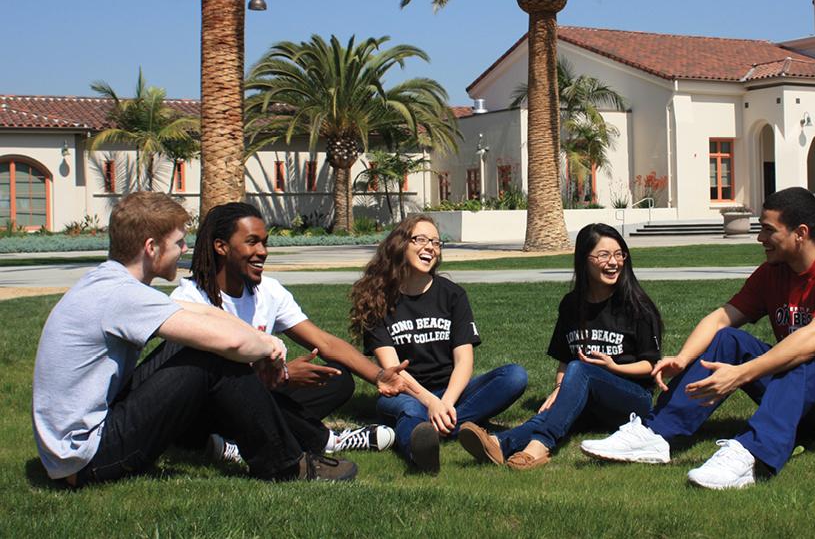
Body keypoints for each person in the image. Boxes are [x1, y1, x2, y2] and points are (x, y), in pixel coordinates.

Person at [580, 187, 815, 489]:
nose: (760, 237)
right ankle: (656, 434)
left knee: (811, 355)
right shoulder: (772, 274)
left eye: (768, 229)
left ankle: (749, 455)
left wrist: (741, 375)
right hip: (804, 402)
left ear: (800, 233)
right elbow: (722, 318)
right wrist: (683, 358)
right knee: (730, 340)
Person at [32, 192, 354, 487]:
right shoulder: (121, 295)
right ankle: (285, 465)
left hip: (77, 447)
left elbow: (202, 316)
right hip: (86, 459)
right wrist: (270, 348)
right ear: (151, 248)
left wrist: (266, 346)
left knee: (191, 344)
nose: (185, 250)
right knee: (212, 356)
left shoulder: (109, 283)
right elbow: (229, 344)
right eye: (179, 243)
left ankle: (290, 443)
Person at [170, 202, 407, 461]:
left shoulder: (268, 292)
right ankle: (330, 441)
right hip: (206, 409)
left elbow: (324, 342)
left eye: (264, 242)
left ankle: (238, 445)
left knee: (337, 379)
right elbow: (204, 380)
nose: (262, 252)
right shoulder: (189, 299)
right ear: (221, 246)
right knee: (255, 395)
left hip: (256, 396)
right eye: (252, 242)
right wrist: (281, 375)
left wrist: (380, 376)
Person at [458, 223, 662, 470]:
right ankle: (498, 444)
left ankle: (540, 446)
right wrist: (559, 389)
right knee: (556, 410)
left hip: (632, 401)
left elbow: (650, 365)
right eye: (604, 255)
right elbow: (565, 358)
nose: (614, 262)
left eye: (619, 254)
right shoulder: (571, 304)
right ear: (584, 259)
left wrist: (613, 367)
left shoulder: (637, 306)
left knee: (581, 371)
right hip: (591, 399)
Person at [349, 214, 528, 473]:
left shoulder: (452, 295)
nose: (430, 247)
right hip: (404, 392)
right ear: (400, 245)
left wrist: (446, 403)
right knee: (410, 409)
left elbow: (464, 361)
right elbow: (393, 371)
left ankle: (429, 429)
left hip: (450, 391)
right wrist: (429, 402)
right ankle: (421, 451)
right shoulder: (378, 300)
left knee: (514, 376)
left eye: (435, 241)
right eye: (420, 239)